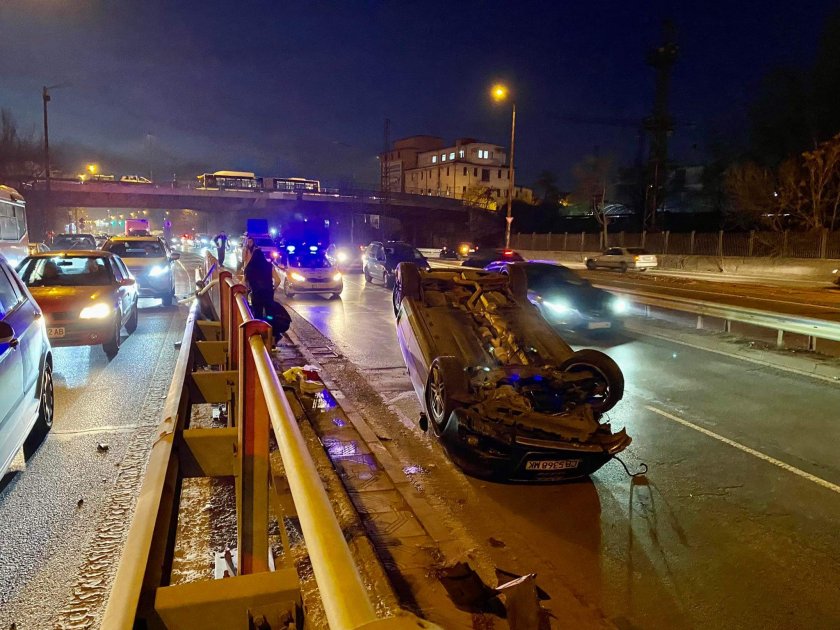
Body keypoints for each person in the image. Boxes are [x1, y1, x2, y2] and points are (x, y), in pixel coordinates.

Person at [243, 247, 290, 343]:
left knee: (258, 314)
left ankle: (259, 336)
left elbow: (244, 283)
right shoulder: (269, 266)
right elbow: (278, 280)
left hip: (256, 295)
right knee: (270, 315)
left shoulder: (249, 268)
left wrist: (249, 289)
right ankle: (273, 335)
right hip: (268, 294)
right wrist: (272, 288)